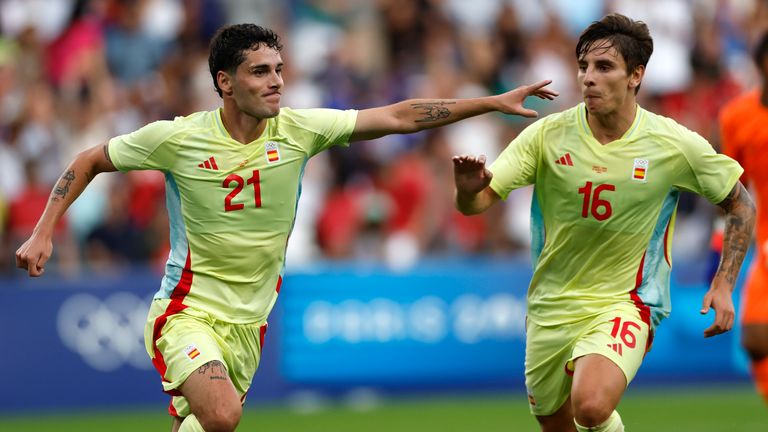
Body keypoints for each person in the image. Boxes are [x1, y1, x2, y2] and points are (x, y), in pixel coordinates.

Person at [15, 23, 557, 432]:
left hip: (250, 324)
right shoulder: (176, 139)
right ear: (225, 82)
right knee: (223, 415)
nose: (276, 82)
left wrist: (490, 102)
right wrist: (43, 232)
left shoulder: (299, 129)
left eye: (278, 69)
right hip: (187, 312)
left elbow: (398, 116)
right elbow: (88, 159)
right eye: (260, 72)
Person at [452, 13, 755, 432]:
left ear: (635, 75)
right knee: (559, 425)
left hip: (626, 302)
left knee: (591, 407)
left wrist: (724, 283)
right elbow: (479, 202)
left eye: (603, 67)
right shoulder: (547, 135)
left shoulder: (671, 143)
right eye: (583, 67)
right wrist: (468, 189)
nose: (588, 78)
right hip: (550, 306)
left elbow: (741, 205)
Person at [718, 31, 768, 406]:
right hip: (766, 243)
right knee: (754, 338)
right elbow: (733, 190)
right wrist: (718, 245)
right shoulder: (737, 116)